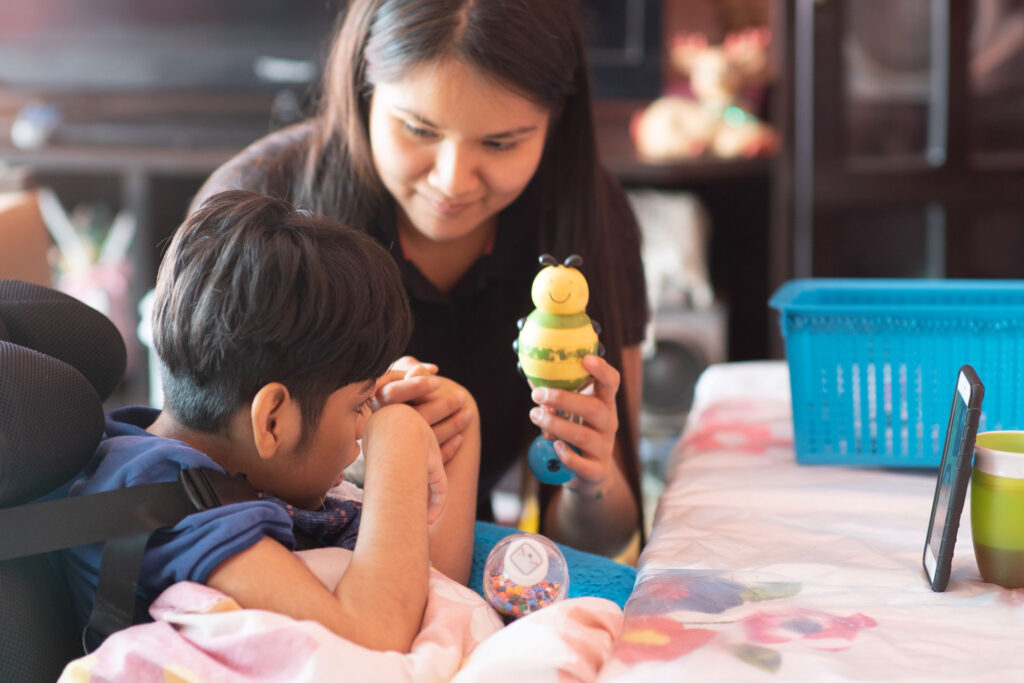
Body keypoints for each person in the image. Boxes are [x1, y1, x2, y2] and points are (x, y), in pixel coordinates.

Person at [193, 0, 649, 558]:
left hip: (458, 563)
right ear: (364, 91)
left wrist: (589, 478)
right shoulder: (256, 209)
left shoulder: (590, 220)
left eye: (501, 143)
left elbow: (600, 545)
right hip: (273, 565)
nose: (452, 180)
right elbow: (185, 479)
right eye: (419, 129)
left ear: (556, 122)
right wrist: (347, 444)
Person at [62, 190, 480, 653]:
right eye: (359, 406)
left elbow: (426, 581)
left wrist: (460, 420)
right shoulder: (169, 503)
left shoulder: (194, 462)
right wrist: (397, 437)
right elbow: (374, 637)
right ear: (273, 422)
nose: (366, 425)